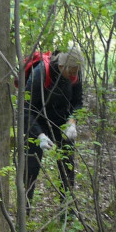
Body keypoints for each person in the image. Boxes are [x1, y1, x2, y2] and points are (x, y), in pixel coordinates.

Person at [23, 46, 84, 204]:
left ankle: (67, 210)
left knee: (67, 166)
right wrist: (40, 135)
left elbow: (78, 102)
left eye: (77, 71)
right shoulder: (40, 74)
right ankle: (25, 211)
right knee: (31, 167)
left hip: (63, 122)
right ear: (62, 66)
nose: (75, 76)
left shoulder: (76, 74)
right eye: (72, 72)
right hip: (37, 122)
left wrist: (72, 122)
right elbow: (26, 110)